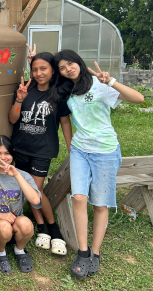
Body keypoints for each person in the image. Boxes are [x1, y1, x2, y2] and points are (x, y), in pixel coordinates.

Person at [52, 50, 144, 279]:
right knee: (79, 198)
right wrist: (70, 144)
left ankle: (95, 251)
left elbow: (138, 98)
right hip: (81, 151)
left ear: (78, 62)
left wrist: (111, 81)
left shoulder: (99, 83)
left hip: (105, 151)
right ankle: (83, 252)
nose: (67, 69)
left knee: (101, 204)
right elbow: (65, 118)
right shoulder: (67, 90)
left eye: (70, 64)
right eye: (62, 68)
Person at [8, 44, 72, 256]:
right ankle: (42, 227)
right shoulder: (26, 90)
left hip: (43, 150)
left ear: (53, 70)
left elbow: (64, 122)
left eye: (43, 68)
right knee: (28, 190)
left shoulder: (59, 94)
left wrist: (70, 145)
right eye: (35, 69)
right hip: (20, 147)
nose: (38, 73)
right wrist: (19, 98)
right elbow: (12, 119)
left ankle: (53, 229)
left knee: (35, 191)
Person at [0, 135, 42, 274]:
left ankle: (19, 250)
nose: (2, 157)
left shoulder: (23, 175)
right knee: (4, 227)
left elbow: (35, 200)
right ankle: (0, 253)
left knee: (26, 224)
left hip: (16, 219)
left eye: (7, 153)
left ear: (13, 153)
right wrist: (0, 215)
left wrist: (16, 175)